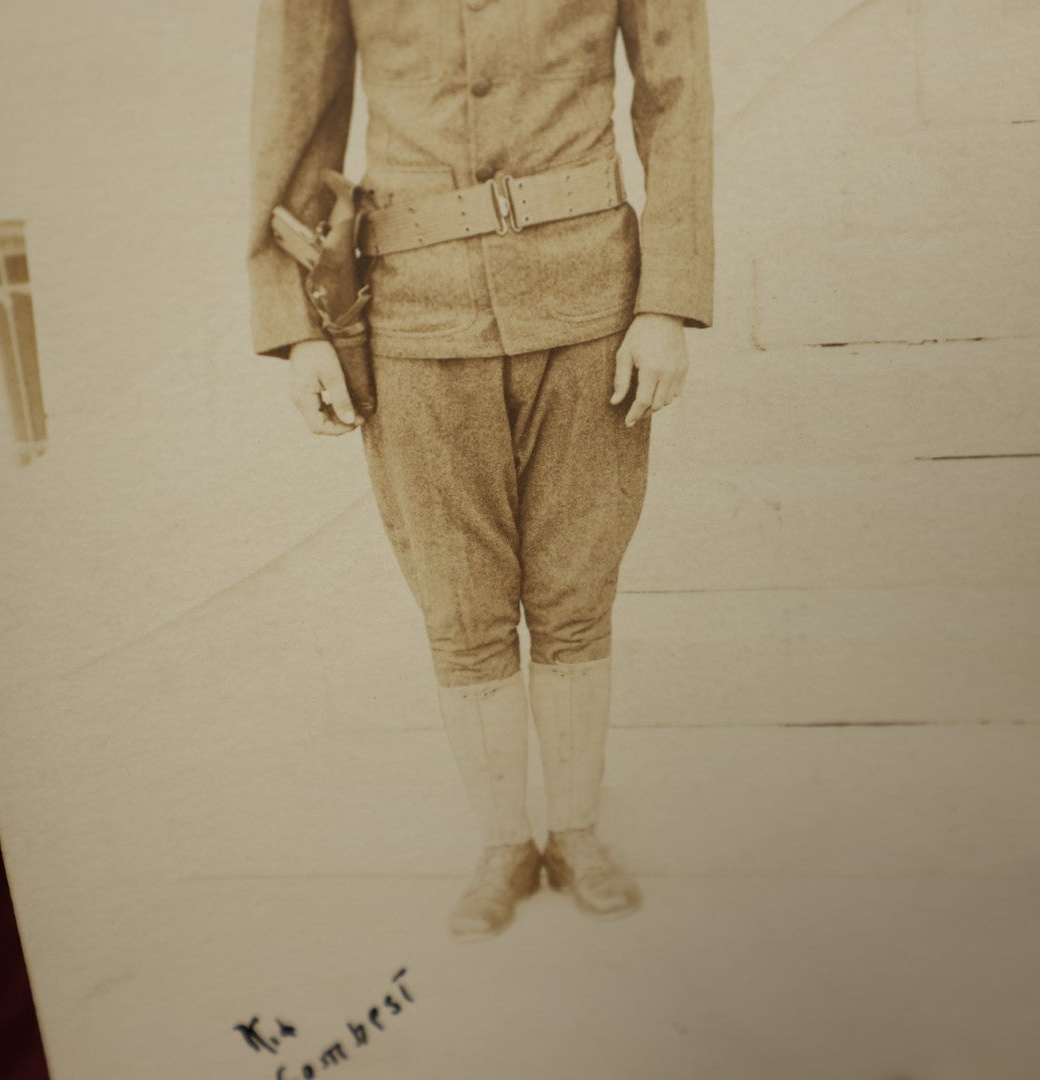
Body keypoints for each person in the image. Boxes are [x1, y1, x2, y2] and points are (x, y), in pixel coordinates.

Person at [249, 0, 713, 940]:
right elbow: (298, 115)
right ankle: (504, 842)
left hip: (590, 299)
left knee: (576, 594)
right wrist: (296, 328)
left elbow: (675, 93)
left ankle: (575, 831)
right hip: (414, 313)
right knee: (461, 611)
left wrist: (667, 302)